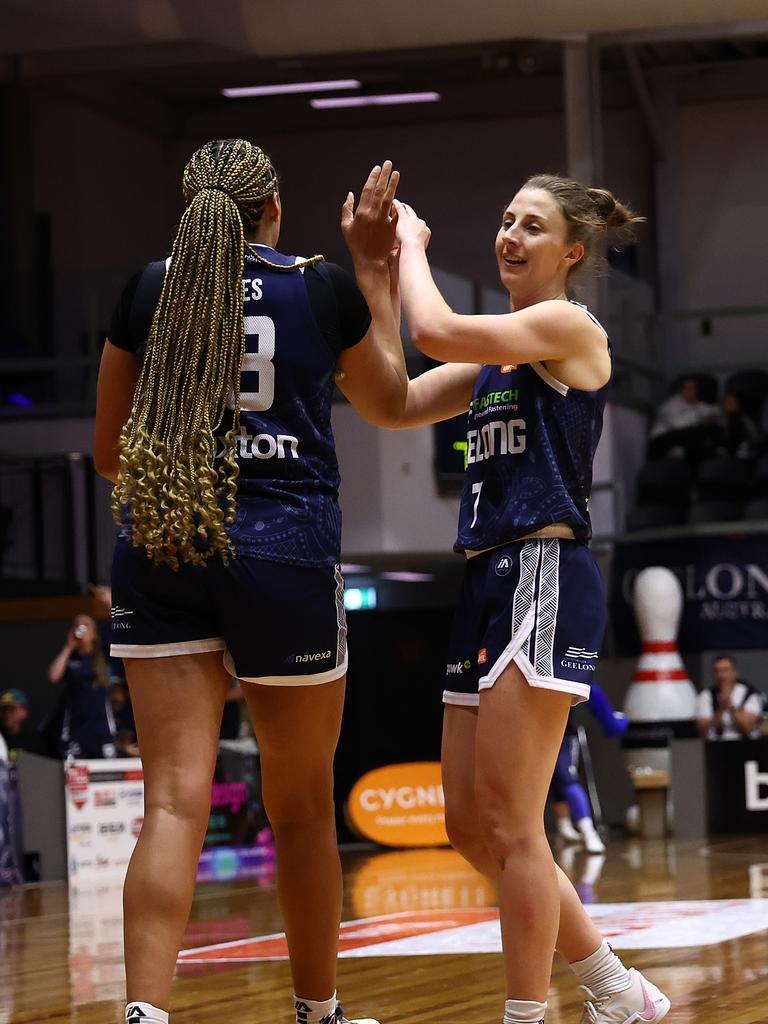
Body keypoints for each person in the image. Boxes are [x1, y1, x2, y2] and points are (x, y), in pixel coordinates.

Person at [94, 139, 406, 1024]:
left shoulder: (148, 290)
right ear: (273, 207)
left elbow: (111, 454)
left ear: (190, 209)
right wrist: (374, 273)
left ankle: (144, 1015)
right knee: (303, 809)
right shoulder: (318, 286)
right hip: (288, 557)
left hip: (166, 548)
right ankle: (316, 1012)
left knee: (171, 805)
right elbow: (388, 402)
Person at [365, 177, 670, 1024]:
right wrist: (367, 275)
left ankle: (528, 1016)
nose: (510, 235)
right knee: (468, 825)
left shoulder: (569, 328)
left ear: (571, 253)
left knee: (513, 824)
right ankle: (615, 987)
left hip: (544, 571)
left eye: (531, 226)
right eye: (504, 220)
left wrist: (414, 252)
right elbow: (391, 401)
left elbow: (430, 329)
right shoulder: (496, 357)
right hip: (485, 580)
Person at [550, 682, 629, 855]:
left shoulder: (572, 673)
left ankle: (588, 832)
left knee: (567, 779)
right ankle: (563, 826)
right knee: (551, 780)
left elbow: (603, 709)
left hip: (562, 736)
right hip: (534, 735)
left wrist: (616, 722)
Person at [47, 615, 117, 759]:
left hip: (102, 730)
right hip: (76, 731)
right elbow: (53, 676)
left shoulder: (103, 655)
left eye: (85, 625)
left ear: (94, 633)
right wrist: (69, 646)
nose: (81, 628)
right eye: (77, 625)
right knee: (75, 777)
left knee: (109, 775)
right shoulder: (71, 659)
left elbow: (121, 632)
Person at [647, 375, 722, 462]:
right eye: (687, 388)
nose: (691, 391)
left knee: (712, 431)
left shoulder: (699, 405)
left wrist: (711, 417)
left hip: (684, 446)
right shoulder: (670, 404)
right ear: (680, 390)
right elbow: (677, 424)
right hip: (663, 442)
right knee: (698, 432)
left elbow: (715, 411)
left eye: (693, 388)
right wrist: (701, 419)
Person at [696, 653, 764, 740]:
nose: (721, 676)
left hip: (747, 745)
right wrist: (720, 710)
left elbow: (748, 728)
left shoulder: (750, 693)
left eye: (725, 670)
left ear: (735, 673)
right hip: (715, 747)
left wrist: (731, 708)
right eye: (717, 671)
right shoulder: (706, 696)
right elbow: (702, 731)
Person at [0, 689, 43, 760]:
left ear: (24, 712)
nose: (7, 713)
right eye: (3, 709)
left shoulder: (34, 740)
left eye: (12, 709)